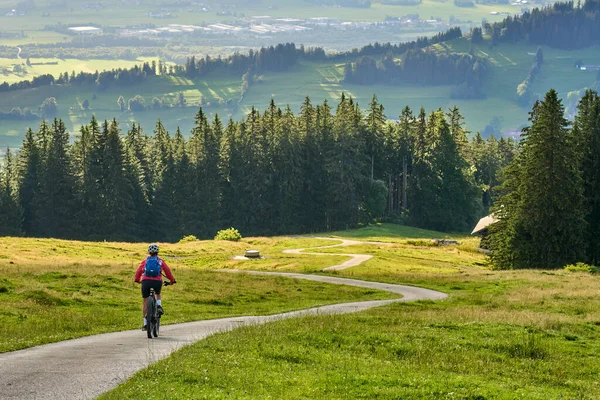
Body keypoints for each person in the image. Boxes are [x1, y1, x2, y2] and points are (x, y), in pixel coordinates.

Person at [134, 243, 176, 330]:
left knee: (145, 301)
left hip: (146, 281)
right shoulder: (160, 261)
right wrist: (172, 280)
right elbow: (167, 271)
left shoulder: (145, 261)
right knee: (157, 293)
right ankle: (159, 306)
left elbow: (138, 271)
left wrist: (137, 280)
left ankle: (145, 324)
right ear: (157, 252)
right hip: (157, 281)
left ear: (149, 252)